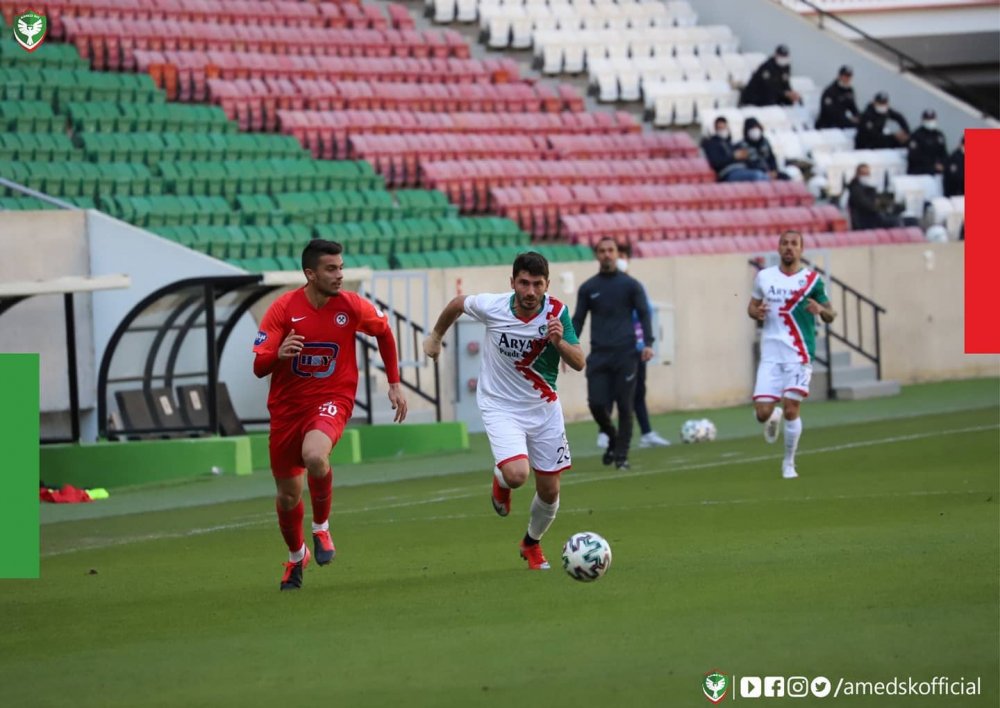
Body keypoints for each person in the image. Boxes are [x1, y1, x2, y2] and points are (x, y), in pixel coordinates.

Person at [253, 239, 408, 590]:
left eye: (341, 267)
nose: (340, 275)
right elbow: (259, 366)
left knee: (315, 456)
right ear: (310, 274)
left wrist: (394, 382)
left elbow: (384, 332)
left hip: (332, 400)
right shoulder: (282, 310)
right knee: (287, 495)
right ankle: (296, 557)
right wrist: (278, 353)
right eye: (331, 269)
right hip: (287, 412)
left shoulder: (351, 306)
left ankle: (321, 530)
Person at [422, 252, 584, 570]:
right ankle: (502, 479)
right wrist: (436, 338)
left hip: (543, 407)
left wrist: (559, 343)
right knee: (518, 474)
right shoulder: (493, 306)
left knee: (550, 491)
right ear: (512, 283)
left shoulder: (557, 313)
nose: (530, 291)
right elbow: (457, 303)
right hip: (500, 405)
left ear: (547, 285)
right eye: (524, 283)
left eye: (537, 284)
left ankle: (531, 544)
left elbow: (579, 362)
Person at [747, 230, 836, 479]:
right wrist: (757, 312)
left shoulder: (812, 281)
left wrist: (820, 309)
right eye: (784, 243)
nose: (789, 248)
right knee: (761, 414)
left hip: (799, 352)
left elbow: (832, 314)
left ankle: (788, 463)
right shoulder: (764, 277)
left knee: (791, 408)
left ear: (801, 249)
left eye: (794, 244)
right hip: (770, 355)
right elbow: (752, 307)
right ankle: (771, 414)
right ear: (778, 248)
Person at [572, 238, 654, 470]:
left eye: (611, 251)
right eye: (602, 251)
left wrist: (647, 342)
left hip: (626, 354)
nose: (607, 255)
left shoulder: (631, 285)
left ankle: (621, 456)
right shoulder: (588, 288)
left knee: (625, 406)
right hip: (599, 355)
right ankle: (612, 435)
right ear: (597, 255)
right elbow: (578, 319)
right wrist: (567, 346)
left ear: (618, 254)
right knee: (596, 404)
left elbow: (644, 313)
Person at [595, 244, 670, 450]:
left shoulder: (636, 286)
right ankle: (605, 432)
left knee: (637, 391)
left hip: (635, 347)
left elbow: (645, 312)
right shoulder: (603, 287)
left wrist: (646, 342)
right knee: (611, 389)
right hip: (612, 347)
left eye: (623, 255)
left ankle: (646, 432)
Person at [701, 116, 768, 182]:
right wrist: (733, 156)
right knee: (757, 176)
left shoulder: (731, 144)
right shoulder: (712, 144)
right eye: (720, 128)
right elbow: (716, 162)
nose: (722, 131)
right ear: (715, 129)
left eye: (724, 128)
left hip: (742, 169)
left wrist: (745, 157)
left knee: (765, 176)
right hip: (728, 173)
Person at [847, 163, 900, 229]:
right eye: (863, 174)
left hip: (873, 216)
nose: (866, 176)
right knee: (895, 221)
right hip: (864, 220)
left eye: (867, 174)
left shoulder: (868, 187)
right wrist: (884, 205)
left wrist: (890, 204)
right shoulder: (855, 189)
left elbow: (877, 200)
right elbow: (868, 205)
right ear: (858, 174)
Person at [815, 65, 859, 129]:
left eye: (849, 76)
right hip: (826, 124)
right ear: (839, 76)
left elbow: (853, 107)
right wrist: (849, 120)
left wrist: (858, 116)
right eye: (845, 76)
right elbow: (830, 113)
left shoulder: (849, 91)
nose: (847, 78)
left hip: (841, 122)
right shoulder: (830, 91)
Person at [906, 109, 948, 175]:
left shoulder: (939, 135)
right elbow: (913, 157)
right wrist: (933, 165)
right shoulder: (916, 136)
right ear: (923, 120)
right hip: (919, 171)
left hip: (935, 171)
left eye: (932, 120)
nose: (930, 122)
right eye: (928, 120)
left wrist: (942, 164)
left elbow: (944, 154)